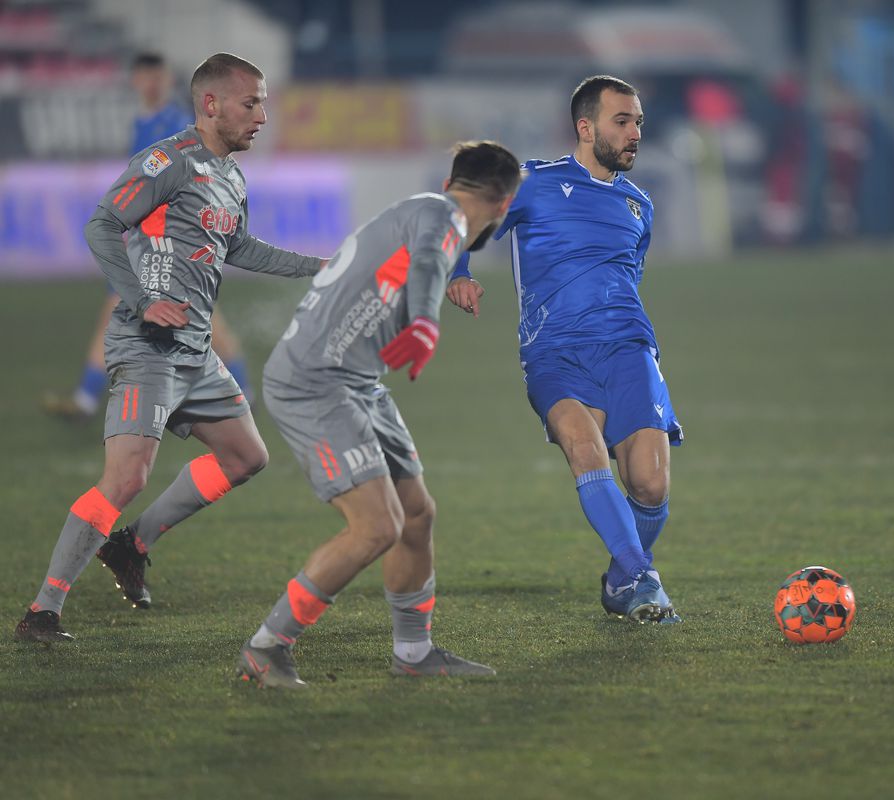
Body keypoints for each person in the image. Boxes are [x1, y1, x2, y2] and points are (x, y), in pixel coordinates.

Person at [15, 52, 328, 643]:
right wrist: (138, 300)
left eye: (263, 102)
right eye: (251, 102)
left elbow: (241, 250)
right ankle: (42, 611)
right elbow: (102, 224)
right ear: (211, 105)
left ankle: (133, 544)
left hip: (195, 350)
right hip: (147, 346)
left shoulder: (232, 175)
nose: (262, 115)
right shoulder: (168, 161)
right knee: (126, 477)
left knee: (246, 458)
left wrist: (320, 267)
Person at [235, 140, 521, 689]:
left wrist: (418, 321)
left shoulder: (424, 210)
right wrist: (425, 324)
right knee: (377, 526)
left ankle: (414, 653)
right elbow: (434, 264)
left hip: (357, 382)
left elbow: (427, 261)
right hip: (315, 384)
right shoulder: (442, 218)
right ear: (504, 204)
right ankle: (266, 647)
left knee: (416, 514)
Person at [447, 75, 683, 625]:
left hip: (628, 349)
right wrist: (459, 271)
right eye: (622, 121)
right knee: (584, 448)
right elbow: (463, 208)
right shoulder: (535, 182)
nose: (634, 133)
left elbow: (628, 277)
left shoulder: (639, 205)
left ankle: (622, 579)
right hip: (554, 353)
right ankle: (644, 579)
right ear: (585, 126)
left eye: (639, 123)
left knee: (649, 483)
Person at [41, 51, 256, 420]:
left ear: (166, 79)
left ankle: (87, 398)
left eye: (158, 76)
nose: (152, 83)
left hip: (175, 239)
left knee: (199, 318)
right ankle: (87, 398)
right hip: (151, 240)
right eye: (146, 76)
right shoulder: (141, 124)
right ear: (136, 81)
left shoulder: (175, 123)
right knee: (142, 312)